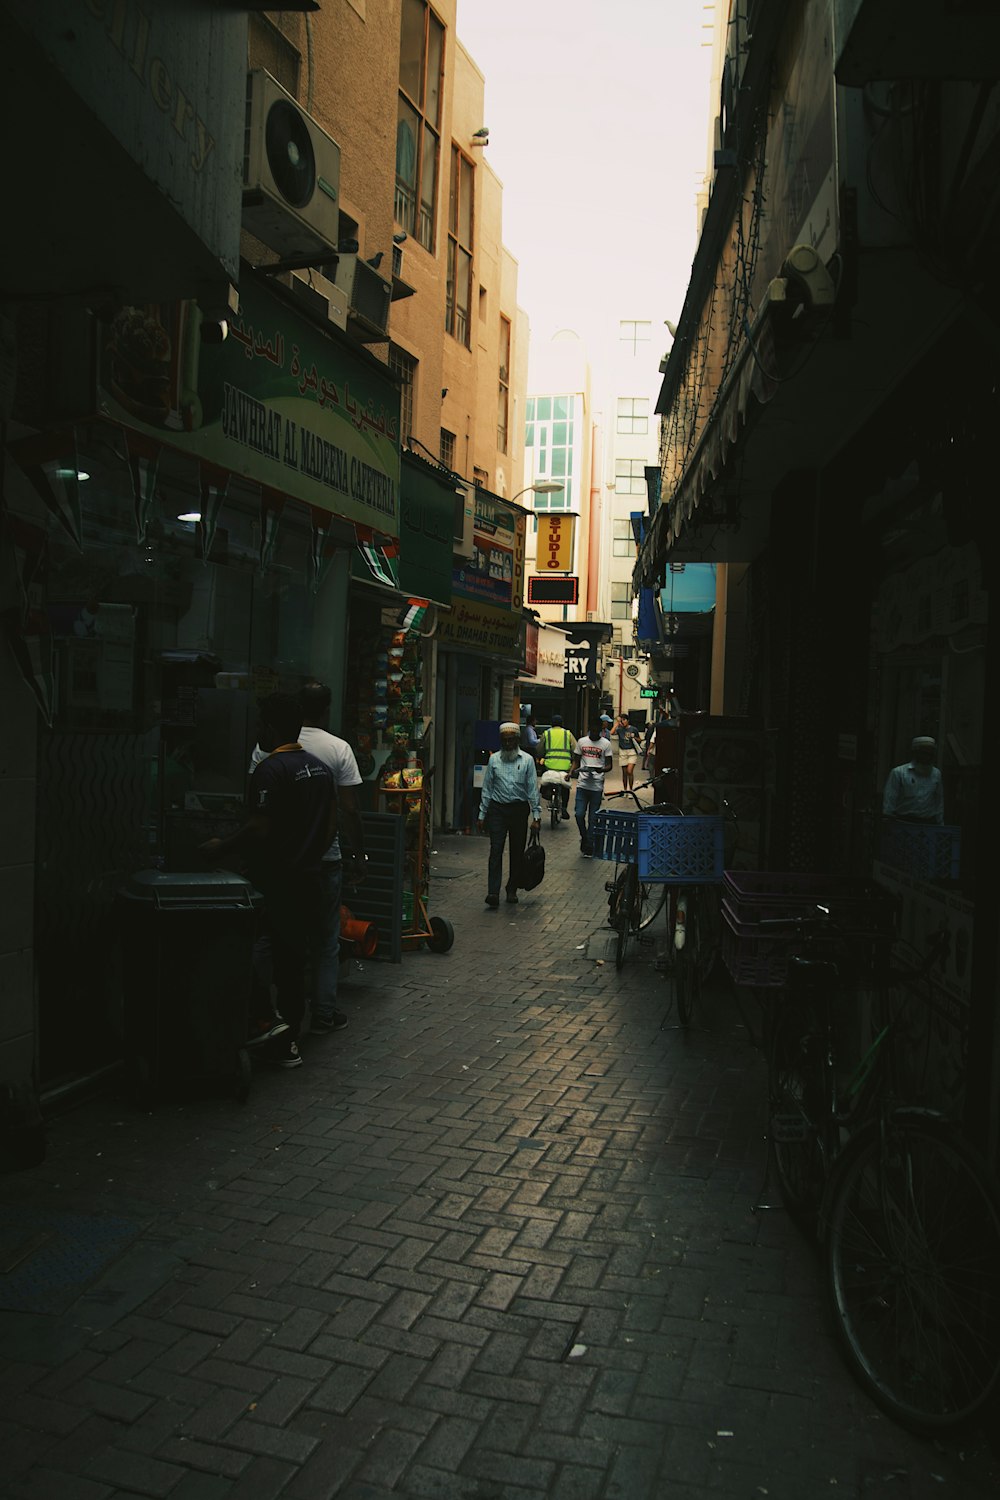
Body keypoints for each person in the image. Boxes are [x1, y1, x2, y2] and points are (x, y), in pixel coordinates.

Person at [201, 693, 337, 1069]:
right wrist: (307, 856)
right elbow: (329, 828)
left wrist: (221, 846)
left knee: (241, 951)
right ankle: (288, 1039)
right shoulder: (319, 770)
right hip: (306, 879)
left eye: (261, 724)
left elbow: (259, 826)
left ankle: (268, 1024)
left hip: (274, 882)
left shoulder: (270, 770)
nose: (258, 731)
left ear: (273, 728)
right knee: (293, 964)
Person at [250, 681, 367, 1036]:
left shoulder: (265, 752)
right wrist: (356, 852)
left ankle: (263, 1011)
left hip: (279, 860)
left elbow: (258, 810)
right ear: (326, 708)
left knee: (273, 937)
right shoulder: (337, 749)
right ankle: (323, 1012)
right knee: (324, 938)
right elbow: (347, 809)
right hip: (322, 859)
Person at [477, 722, 542, 906]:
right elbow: (487, 789)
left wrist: (536, 817)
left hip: (519, 810)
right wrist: (482, 814)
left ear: (517, 740)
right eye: (504, 741)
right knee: (495, 850)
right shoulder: (494, 760)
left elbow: (532, 790)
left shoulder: (527, 760)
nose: (507, 744)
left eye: (511, 740)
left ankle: (512, 888)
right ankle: (493, 892)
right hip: (497, 809)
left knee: (517, 851)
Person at [571, 715, 613, 857]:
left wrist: (601, 770)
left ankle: (589, 844)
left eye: (597, 730)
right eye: (592, 730)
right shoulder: (582, 742)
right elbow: (576, 761)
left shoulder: (606, 744)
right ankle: (585, 837)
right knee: (579, 814)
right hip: (583, 784)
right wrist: (571, 772)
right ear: (590, 729)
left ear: (601, 730)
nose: (594, 733)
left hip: (596, 786)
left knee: (593, 818)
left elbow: (609, 765)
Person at [882, 737, 944, 824]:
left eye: (930, 753)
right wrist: (887, 822)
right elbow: (890, 800)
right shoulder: (899, 772)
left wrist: (940, 824)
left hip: (928, 824)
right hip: (903, 822)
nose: (927, 756)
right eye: (924, 753)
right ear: (915, 753)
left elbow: (939, 802)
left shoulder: (936, 774)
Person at [538, 714, 575, 818]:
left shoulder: (546, 733)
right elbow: (575, 749)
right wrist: (572, 759)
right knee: (565, 787)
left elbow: (540, 749)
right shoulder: (567, 734)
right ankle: (564, 808)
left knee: (546, 781)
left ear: (551, 724)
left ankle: (549, 794)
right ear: (562, 724)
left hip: (550, 765)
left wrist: (541, 756)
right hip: (564, 766)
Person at [612, 712, 643, 791]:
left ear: (628, 720)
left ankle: (631, 789)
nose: (623, 721)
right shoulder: (619, 729)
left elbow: (640, 740)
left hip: (632, 751)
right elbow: (611, 733)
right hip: (622, 751)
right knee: (624, 773)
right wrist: (617, 724)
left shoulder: (633, 729)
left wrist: (634, 737)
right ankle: (625, 790)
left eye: (624, 720)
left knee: (629, 771)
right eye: (621, 720)